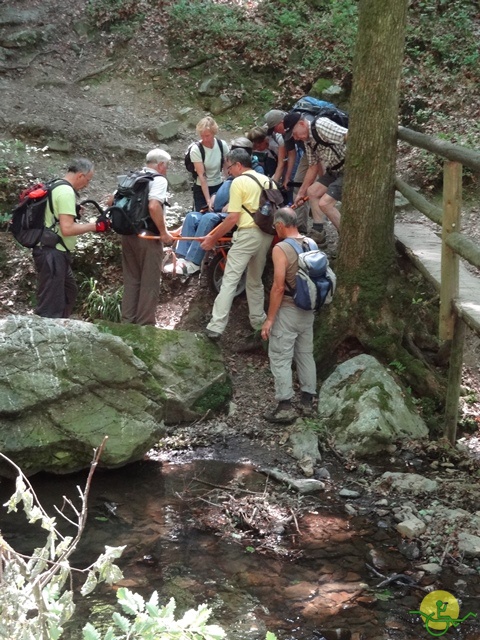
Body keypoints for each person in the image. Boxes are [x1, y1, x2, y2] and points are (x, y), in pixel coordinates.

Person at [200, 148, 277, 340]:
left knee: (230, 280)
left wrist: (212, 237)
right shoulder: (268, 180)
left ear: (238, 165)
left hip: (247, 234)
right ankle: (258, 322)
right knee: (255, 280)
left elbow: (232, 218)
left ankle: (216, 327)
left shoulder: (239, 182)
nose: (229, 172)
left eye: (229, 167)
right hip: (266, 234)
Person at [164, 137, 264, 276]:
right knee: (191, 217)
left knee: (208, 218)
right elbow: (227, 185)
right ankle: (181, 258)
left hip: (235, 213)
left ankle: (193, 262)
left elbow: (255, 195)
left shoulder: (256, 170)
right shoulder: (234, 171)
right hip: (217, 209)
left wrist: (234, 203)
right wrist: (214, 196)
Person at [32, 158, 110, 319]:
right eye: (88, 180)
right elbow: (67, 229)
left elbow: (53, 215)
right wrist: (95, 226)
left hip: (51, 251)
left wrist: (72, 211)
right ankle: (47, 335)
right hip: (53, 254)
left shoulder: (55, 185)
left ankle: (62, 325)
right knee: (50, 304)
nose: (87, 184)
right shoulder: (66, 192)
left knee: (69, 291)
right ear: (81, 176)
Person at [261, 207, 317, 423]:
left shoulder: (281, 248)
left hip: (288, 310)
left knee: (280, 357)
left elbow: (278, 287)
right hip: (308, 310)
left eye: (276, 226)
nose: (276, 230)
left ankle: (285, 406)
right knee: (305, 354)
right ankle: (307, 401)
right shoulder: (311, 243)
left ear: (281, 225)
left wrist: (270, 319)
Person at [120, 148, 174, 325]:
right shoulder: (158, 180)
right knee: (150, 283)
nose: (166, 170)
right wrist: (164, 233)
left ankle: (127, 322)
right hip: (149, 238)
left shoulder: (133, 177)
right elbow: (153, 206)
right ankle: (145, 327)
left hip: (128, 234)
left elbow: (111, 201)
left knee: (132, 280)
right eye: (166, 166)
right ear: (160, 165)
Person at [285, 111, 348, 232]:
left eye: (294, 133)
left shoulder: (321, 125)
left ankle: (348, 236)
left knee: (325, 203)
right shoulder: (307, 140)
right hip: (333, 170)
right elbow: (312, 166)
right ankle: (318, 231)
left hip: (347, 169)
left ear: (302, 124)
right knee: (312, 192)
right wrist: (301, 193)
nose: (296, 138)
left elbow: (348, 135)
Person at [189, 116, 229, 211]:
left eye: (207, 136)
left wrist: (228, 185)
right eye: (202, 136)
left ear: (214, 133)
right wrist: (208, 200)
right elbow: (202, 177)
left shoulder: (221, 145)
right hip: (202, 188)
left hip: (219, 185)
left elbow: (226, 167)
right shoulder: (196, 150)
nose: (205, 139)